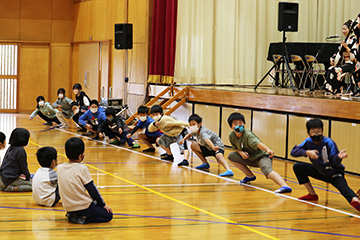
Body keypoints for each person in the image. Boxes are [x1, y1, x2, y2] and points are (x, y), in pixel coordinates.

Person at [291, 118, 360, 212]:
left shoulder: (329, 142)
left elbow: (335, 162)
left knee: (344, 189)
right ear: (309, 133)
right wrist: (307, 152)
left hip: (334, 174)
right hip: (319, 171)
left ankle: (355, 200)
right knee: (298, 167)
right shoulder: (308, 142)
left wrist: (339, 157)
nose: (317, 134)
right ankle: (312, 194)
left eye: (319, 131)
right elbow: (294, 151)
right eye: (314, 132)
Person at [227, 112, 292, 193]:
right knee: (231, 156)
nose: (239, 125)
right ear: (231, 127)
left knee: (267, 171)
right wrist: (240, 153)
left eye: (241, 123)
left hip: (262, 157)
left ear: (244, 124)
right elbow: (236, 148)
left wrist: (268, 149)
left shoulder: (248, 135)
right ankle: (250, 176)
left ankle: (284, 186)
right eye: (235, 123)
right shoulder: (231, 135)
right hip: (250, 158)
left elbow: (257, 143)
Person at [57, 137, 113, 224]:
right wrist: (103, 205)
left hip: (68, 207)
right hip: (83, 207)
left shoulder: (59, 168)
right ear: (81, 155)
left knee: (94, 204)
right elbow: (92, 189)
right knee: (108, 215)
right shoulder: (82, 168)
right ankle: (83, 219)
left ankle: (73, 215)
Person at [324, 20, 358, 94]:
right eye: (342, 29)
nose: (343, 31)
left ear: (350, 30)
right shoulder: (344, 41)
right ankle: (331, 89)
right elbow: (337, 52)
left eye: (345, 29)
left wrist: (347, 48)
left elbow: (355, 55)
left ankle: (336, 89)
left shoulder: (354, 40)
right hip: (345, 63)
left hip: (351, 64)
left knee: (336, 70)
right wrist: (332, 58)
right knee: (330, 69)